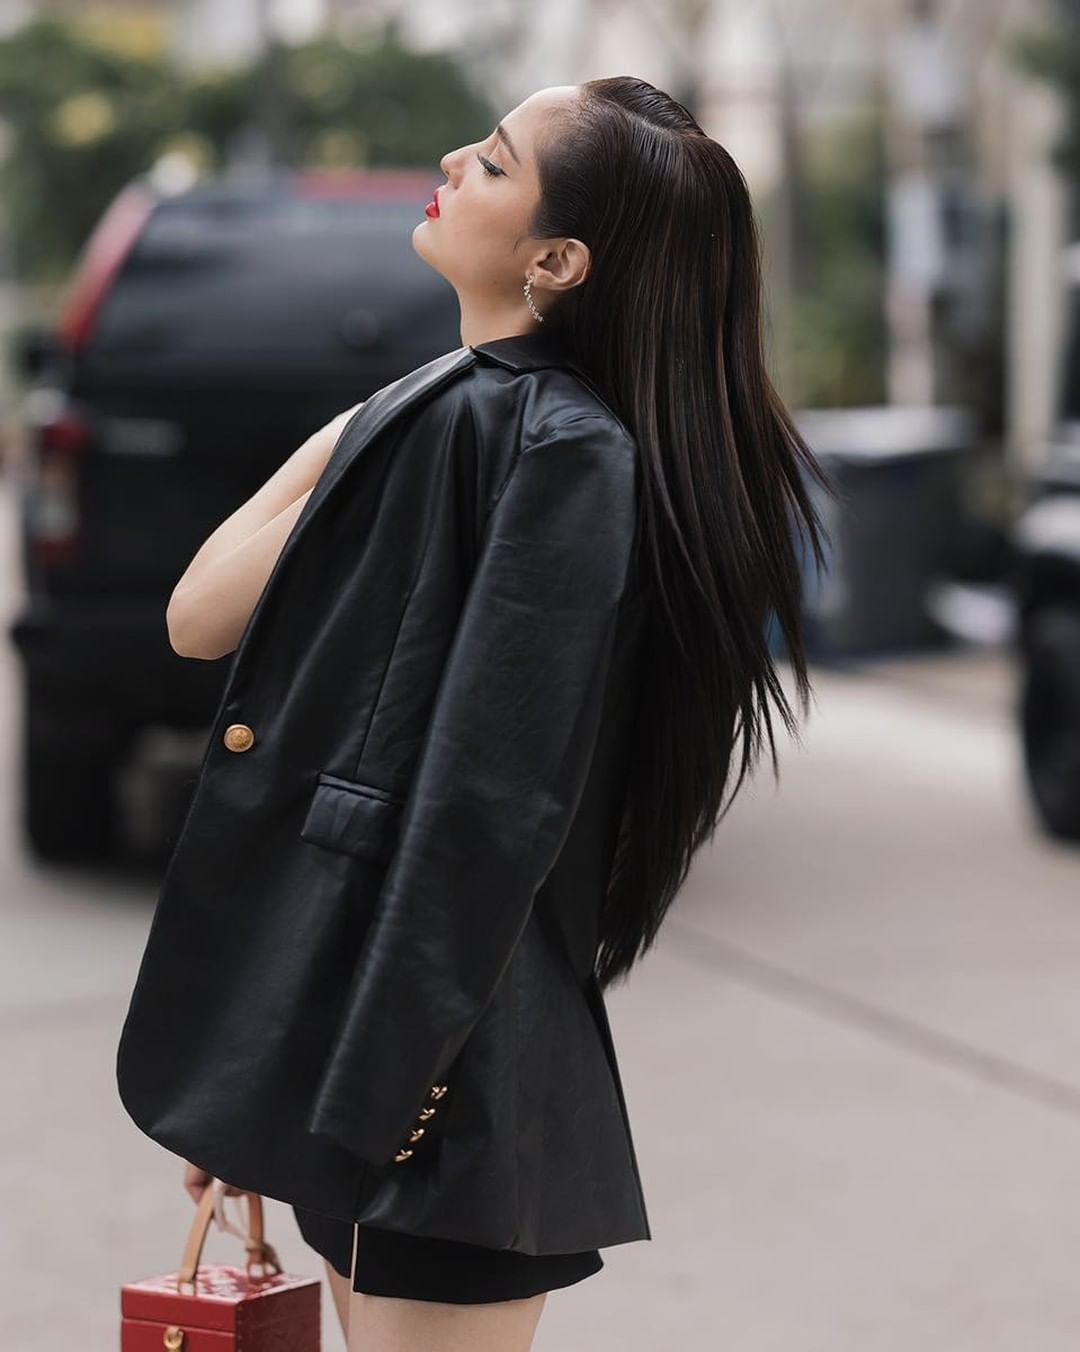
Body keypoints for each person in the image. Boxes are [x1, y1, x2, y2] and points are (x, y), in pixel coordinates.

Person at [131, 75, 833, 1352]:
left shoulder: (555, 447)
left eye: (498, 162)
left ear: (557, 260)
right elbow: (203, 616)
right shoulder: (458, 411)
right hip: (381, 1069)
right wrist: (264, 1083)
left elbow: (484, 808)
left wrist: (348, 1100)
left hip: (433, 1091)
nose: (456, 157)